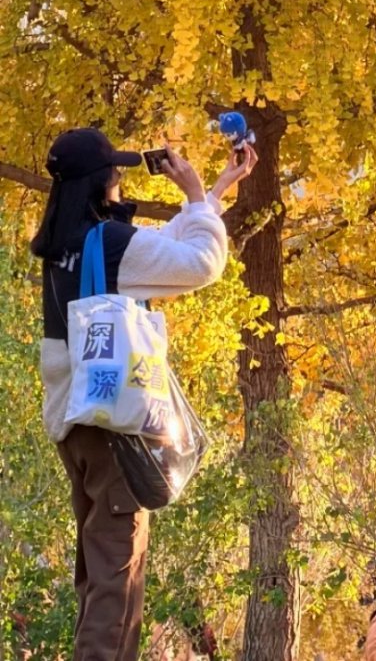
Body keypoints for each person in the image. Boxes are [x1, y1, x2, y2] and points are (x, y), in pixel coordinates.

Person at [31, 125, 257, 661]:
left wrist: (214, 192)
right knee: (118, 585)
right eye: (115, 169)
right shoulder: (110, 244)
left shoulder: (65, 244)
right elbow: (200, 263)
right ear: (101, 180)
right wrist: (195, 193)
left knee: (97, 577)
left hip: (78, 427)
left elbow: (156, 253)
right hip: (116, 430)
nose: (120, 177)